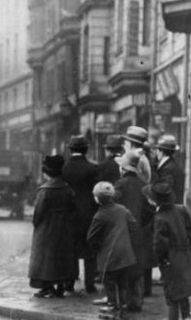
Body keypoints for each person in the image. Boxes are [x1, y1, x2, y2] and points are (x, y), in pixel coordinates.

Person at [144, 182, 191, 320]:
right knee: (183, 294)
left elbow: (159, 245)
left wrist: (161, 260)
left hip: (170, 261)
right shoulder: (181, 209)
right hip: (186, 257)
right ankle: (185, 317)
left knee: (172, 296)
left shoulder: (159, 219)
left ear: (154, 200)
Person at [110, 151, 154, 312]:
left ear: (123, 168)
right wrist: (141, 223)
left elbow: (112, 207)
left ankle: (122, 300)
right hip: (138, 232)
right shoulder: (144, 186)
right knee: (136, 267)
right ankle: (136, 301)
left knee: (121, 266)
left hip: (121, 232)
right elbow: (150, 211)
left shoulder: (119, 185)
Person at [28, 155, 77, 298]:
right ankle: (61, 285)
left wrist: (36, 224)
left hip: (47, 228)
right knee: (62, 256)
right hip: (65, 227)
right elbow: (73, 207)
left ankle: (46, 286)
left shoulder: (45, 190)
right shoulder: (67, 188)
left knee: (46, 258)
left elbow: (38, 213)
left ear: (47, 173)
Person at [87, 182, 138, 317]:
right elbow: (134, 226)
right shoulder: (122, 209)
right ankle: (122, 305)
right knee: (122, 281)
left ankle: (112, 305)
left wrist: (99, 248)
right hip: (126, 254)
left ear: (97, 198)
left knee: (109, 281)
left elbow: (91, 238)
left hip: (109, 256)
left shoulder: (100, 215)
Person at [61, 135, 99, 294]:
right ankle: (90, 285)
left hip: (69, 215)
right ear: (86, 150)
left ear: (70, 150)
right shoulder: (92, 169)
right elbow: (97, 193)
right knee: (90, 251)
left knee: (71, 250)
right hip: (89, 215)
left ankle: (69, 283)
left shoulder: (64, 168)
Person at [154, 134, 185, 204]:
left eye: (157, 150)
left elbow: (164, 193)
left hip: (167, 210)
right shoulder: (175, 166)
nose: (156, 153)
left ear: (161, 152)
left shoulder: (166, 169)